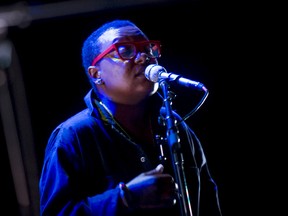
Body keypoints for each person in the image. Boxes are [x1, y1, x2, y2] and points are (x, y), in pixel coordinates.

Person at [39, 19, 223, 216]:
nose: (144, 57)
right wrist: (126, 198)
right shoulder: (73, 136)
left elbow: (208, 204)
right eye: (125, 50)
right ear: (96, 74)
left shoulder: (175, 125)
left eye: (148, 49)